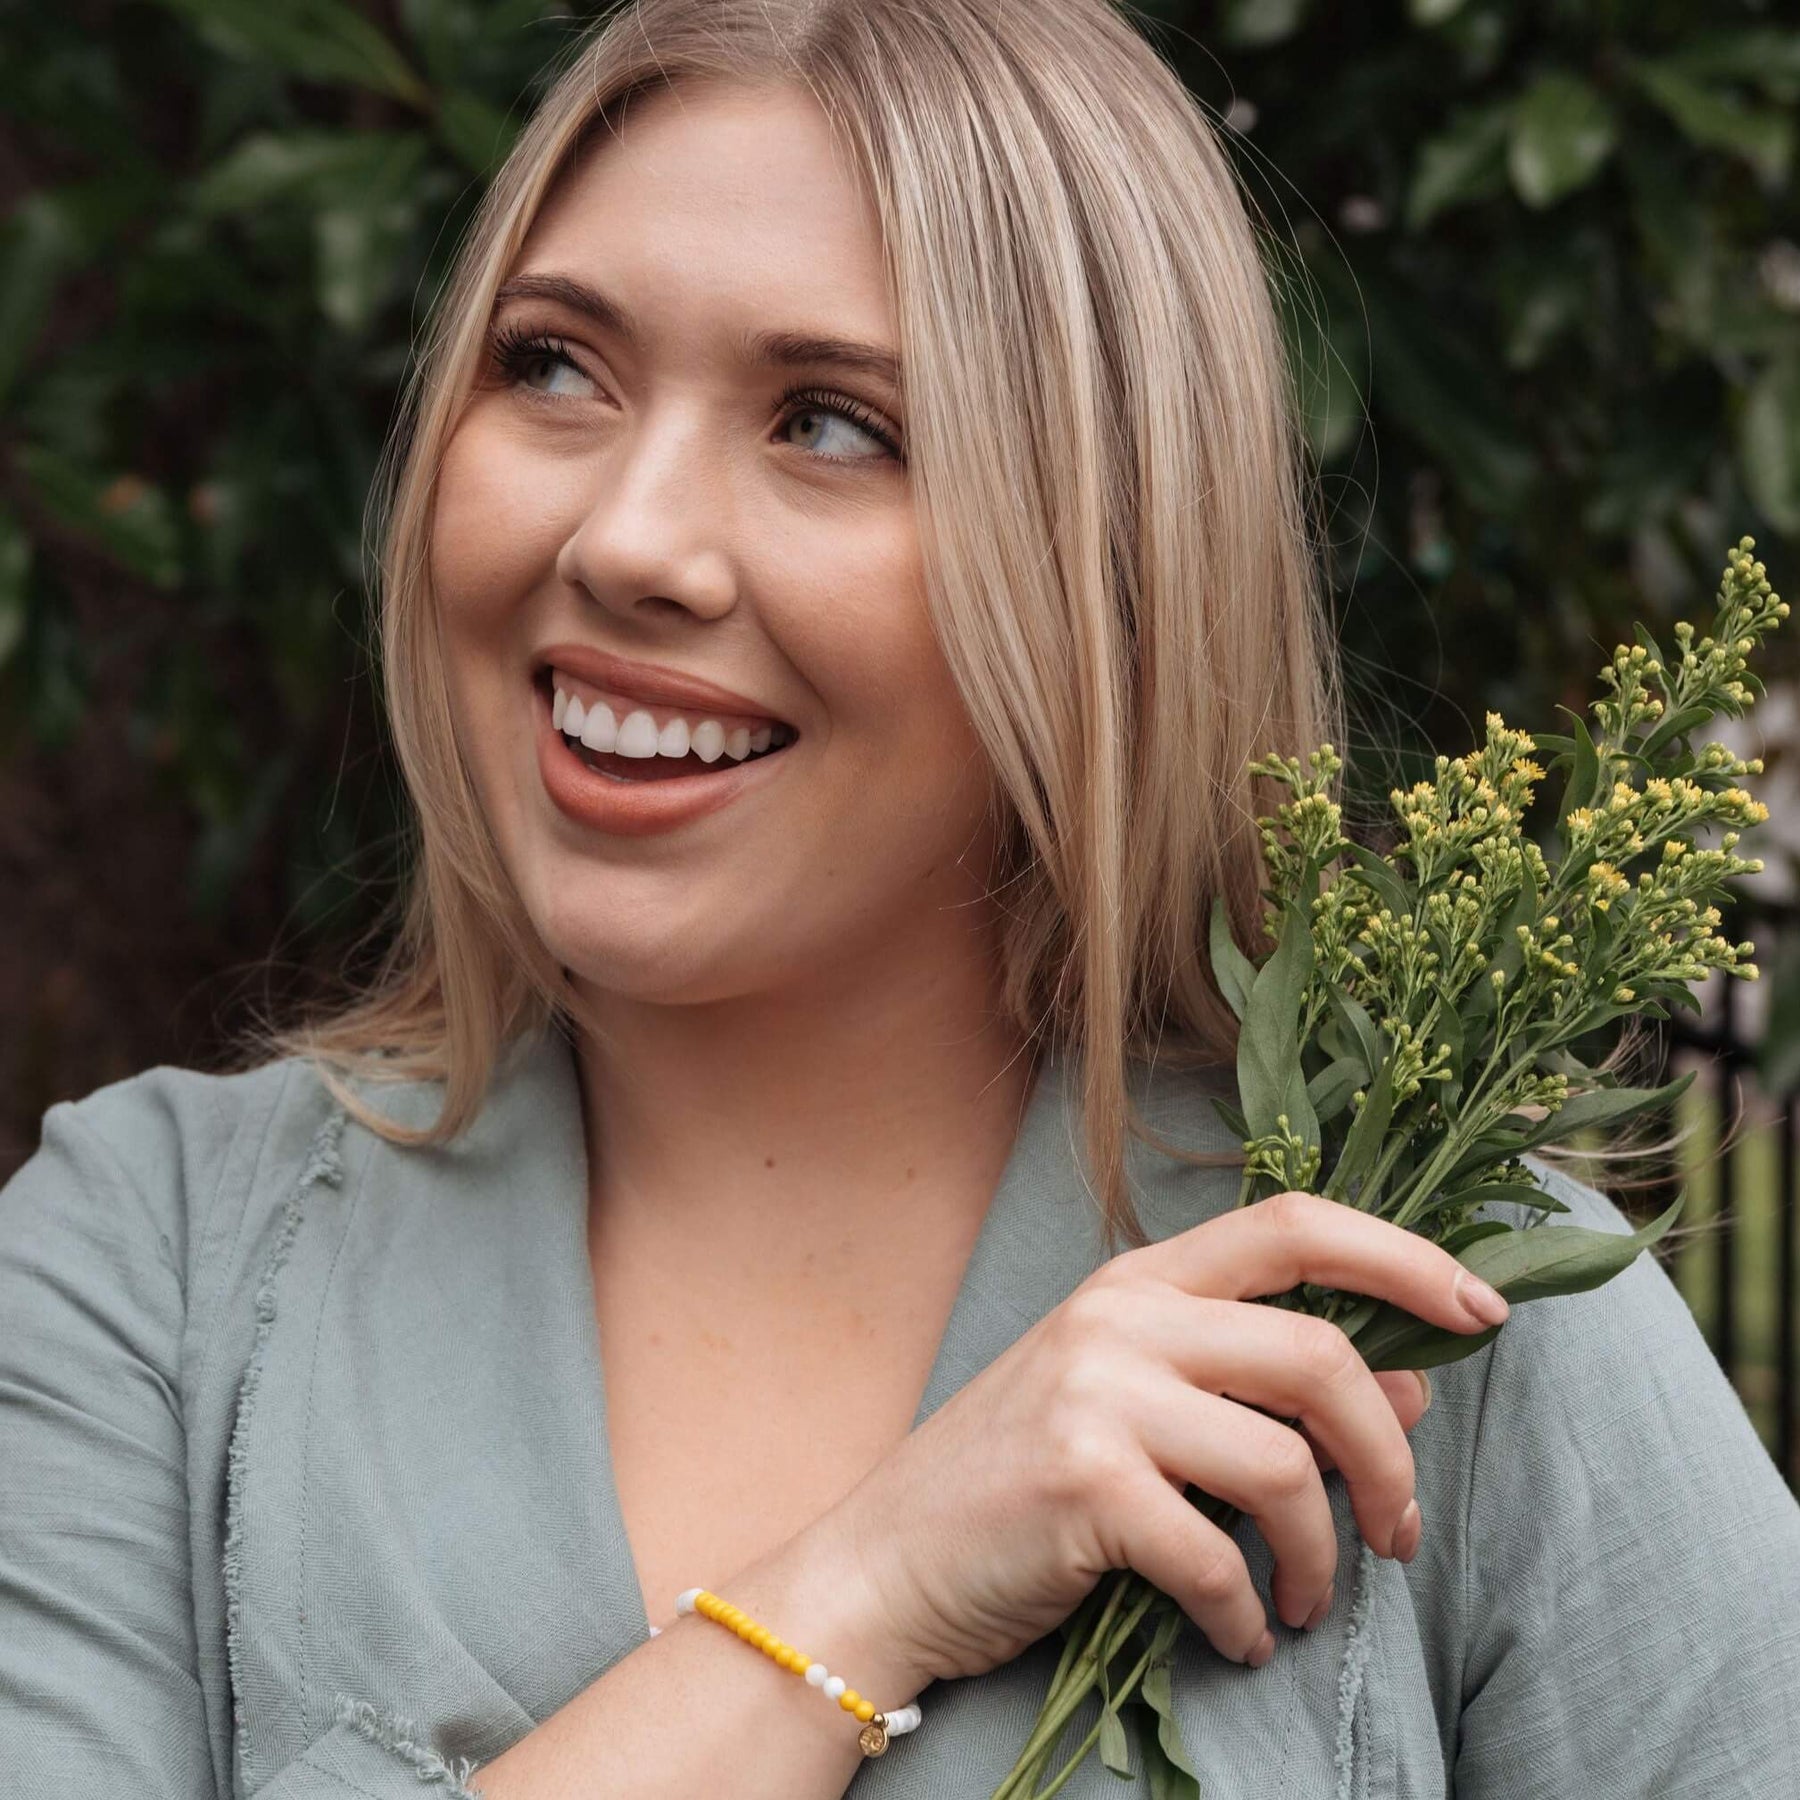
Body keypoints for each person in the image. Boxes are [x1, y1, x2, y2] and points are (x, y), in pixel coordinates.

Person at [4, 1, 1797, 1795]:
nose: (625, 539)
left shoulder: (1427, 1299)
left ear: (1105, 568)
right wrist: (869, 1591)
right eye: (554, 365)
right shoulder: (144, 1280)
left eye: (831, 423)